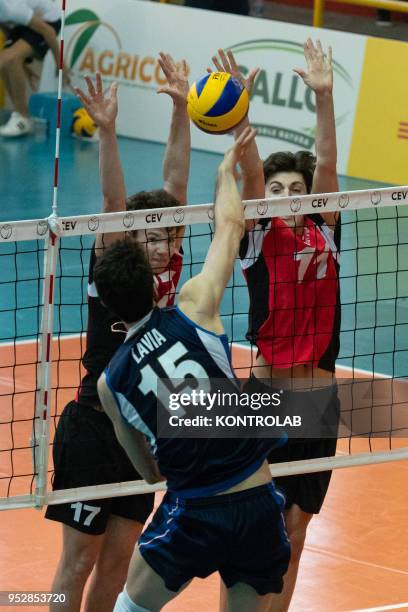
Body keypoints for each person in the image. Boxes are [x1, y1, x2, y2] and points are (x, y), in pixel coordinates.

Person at [95, 126, 291, 612]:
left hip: (195, 511)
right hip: (256, 499)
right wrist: (226, 171)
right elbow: (230, 226)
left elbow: (148, 472)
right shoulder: (195, 305)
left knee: (132, 605)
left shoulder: (110, 381)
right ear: (153, 280)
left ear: (112, 312)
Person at [45, 55, 191, 612]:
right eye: (151, 235)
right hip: (94, 426)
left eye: (170, 235)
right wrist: (106, 129)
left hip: (144, 434)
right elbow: (111, 205)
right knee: (77, 561)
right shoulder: (114, 262)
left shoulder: (174, 263)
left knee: (118, 561)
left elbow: (176, 185)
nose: (163, 244)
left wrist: (180, 107)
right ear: (132, 239)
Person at [212, 41, 340, 612]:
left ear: (311, 199)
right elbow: (254, 175)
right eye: (279, 189)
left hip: (318, 402)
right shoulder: (261, 235)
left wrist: (325, 96)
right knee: (250, 526)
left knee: (295, 530)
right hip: (264, 398)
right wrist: (240, 115)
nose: (286, 196)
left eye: (297, 189)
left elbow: (330, 165)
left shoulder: (327, 233)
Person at [0, 0, 69, 137]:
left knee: (10, 59)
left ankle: (23, 117)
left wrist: (60, 64)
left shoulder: (11, 7)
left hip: (49, 21)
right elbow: (8, 33)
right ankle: (19, 114)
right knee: (4, 61)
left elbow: (47, 31)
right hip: (24, 24)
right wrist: (21, 63)